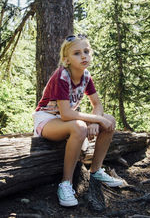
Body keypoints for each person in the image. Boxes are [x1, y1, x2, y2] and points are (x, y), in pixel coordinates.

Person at [33, 34, 123, 207]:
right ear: (66, 59)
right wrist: (94, 119)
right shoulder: (62, 76)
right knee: (80, 127)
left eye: (86, 51)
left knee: (109, 120)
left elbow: (97, 104)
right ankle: (65, 184)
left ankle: (96, 170)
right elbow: (66, 113)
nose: (83, 56)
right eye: (77, 53)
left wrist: (96, 122)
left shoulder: (86, 76)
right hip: (47, 119)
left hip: (66, 119)